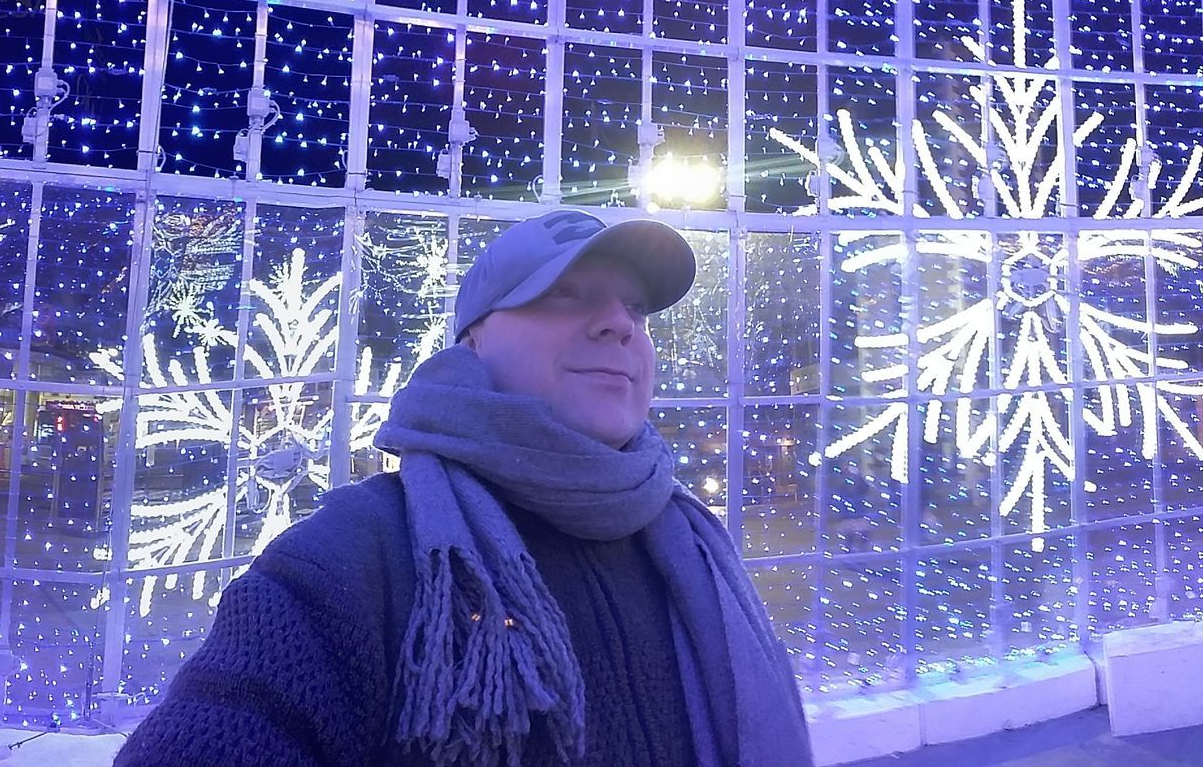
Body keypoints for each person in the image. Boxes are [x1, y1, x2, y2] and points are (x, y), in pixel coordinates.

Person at [113, 209, 813, 766]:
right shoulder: (355, 557)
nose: (619, 325)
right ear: (471, 341)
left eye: (637, 307)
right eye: (565, 293)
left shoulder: (689, 542)